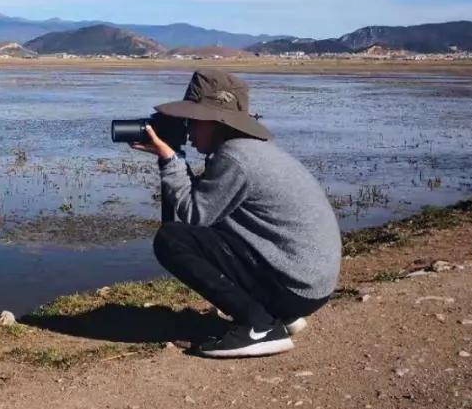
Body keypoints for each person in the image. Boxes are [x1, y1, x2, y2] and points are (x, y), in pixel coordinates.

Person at [131, 70, 341, 358]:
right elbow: (210, 213)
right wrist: (171, 158)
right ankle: (276, 314)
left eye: (193, 121)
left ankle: (260, 327)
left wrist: (170, 159)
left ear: (216, 122)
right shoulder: (249, 150)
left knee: (171, 239)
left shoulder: (234, 158)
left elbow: (193, 216)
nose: (188, 130)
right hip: (308, 283)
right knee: (213, 232)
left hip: (296, 287)